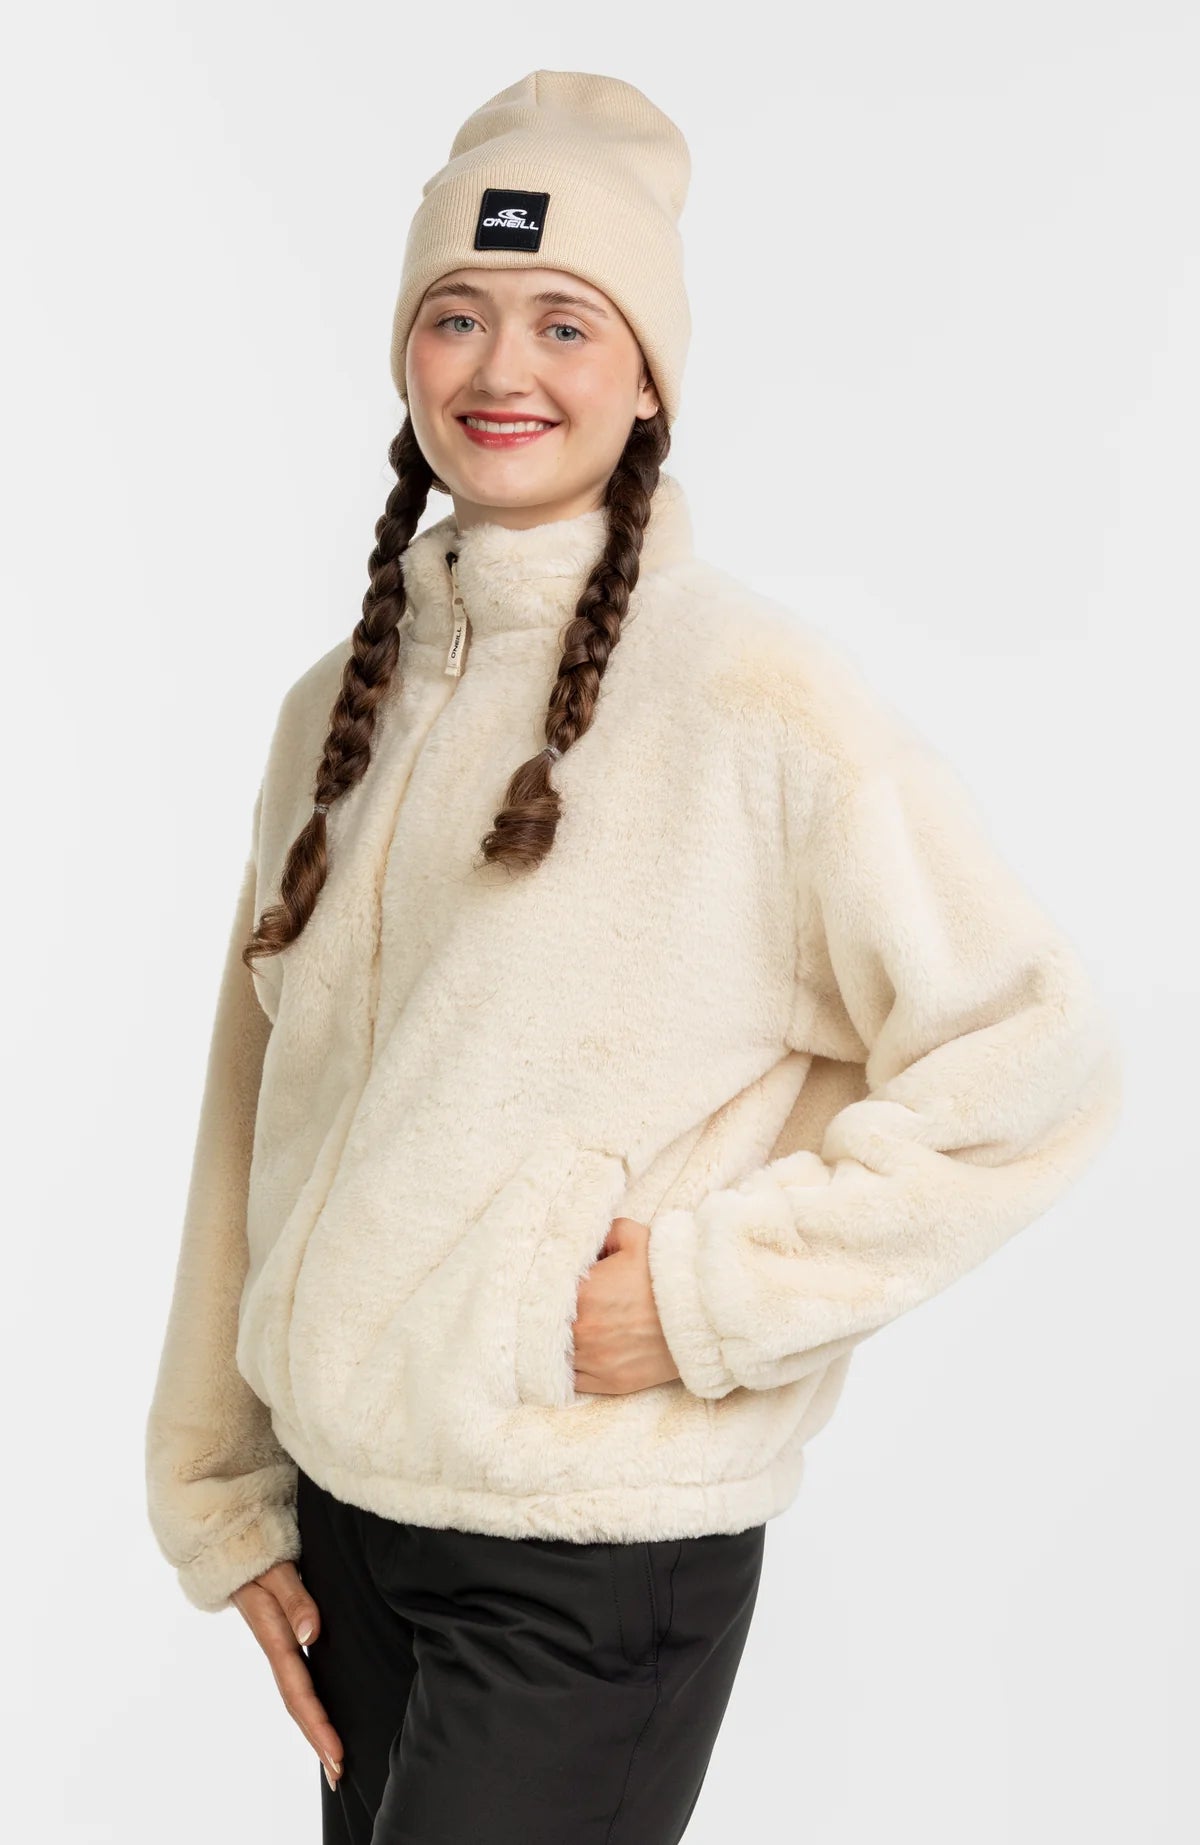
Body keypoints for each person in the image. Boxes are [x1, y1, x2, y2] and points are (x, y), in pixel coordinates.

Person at [144, 69, 1123, 1845]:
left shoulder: (757, 698)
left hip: (585, 1558)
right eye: (456, 313)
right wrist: (224, 1488)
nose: (499, 367)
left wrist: (702, 1294)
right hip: (351, 1524)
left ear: (650, 374)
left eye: (564, 321)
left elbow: (1030, 1058)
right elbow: (252, 1107)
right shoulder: (330, 712)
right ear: (405, 354)